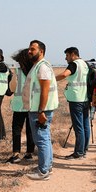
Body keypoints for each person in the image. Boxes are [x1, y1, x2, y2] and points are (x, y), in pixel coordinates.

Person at [23, 40, 59, 180]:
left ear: (41, 51)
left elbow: (45, 90)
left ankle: (43, 171)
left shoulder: (42, 67)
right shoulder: (38, 66)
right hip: (39, 109)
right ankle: (47, 167)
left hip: (40, 110)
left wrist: (41, 111)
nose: (29, 51)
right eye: (29, 49)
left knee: (41, 139)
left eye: (33, 49)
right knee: (45, 138)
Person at [55, 46, 91, 159]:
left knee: (78, 127)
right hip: (85, 98)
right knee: (85, 125)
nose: (66, 58)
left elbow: (64, 75)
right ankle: (84, 150)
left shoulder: (74, 64)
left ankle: (78, 153)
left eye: (67, 55)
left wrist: (51, 79)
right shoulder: (85, 64)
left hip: (76, 99)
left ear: (73, 54)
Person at [7, 48, 36, 164]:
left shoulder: (18, 72)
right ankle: (29, 153)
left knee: (17, 130)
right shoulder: (35, 71)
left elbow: (12, 88)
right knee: (30, 130)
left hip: (19, 105)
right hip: (32, 105)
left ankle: (16, 154)